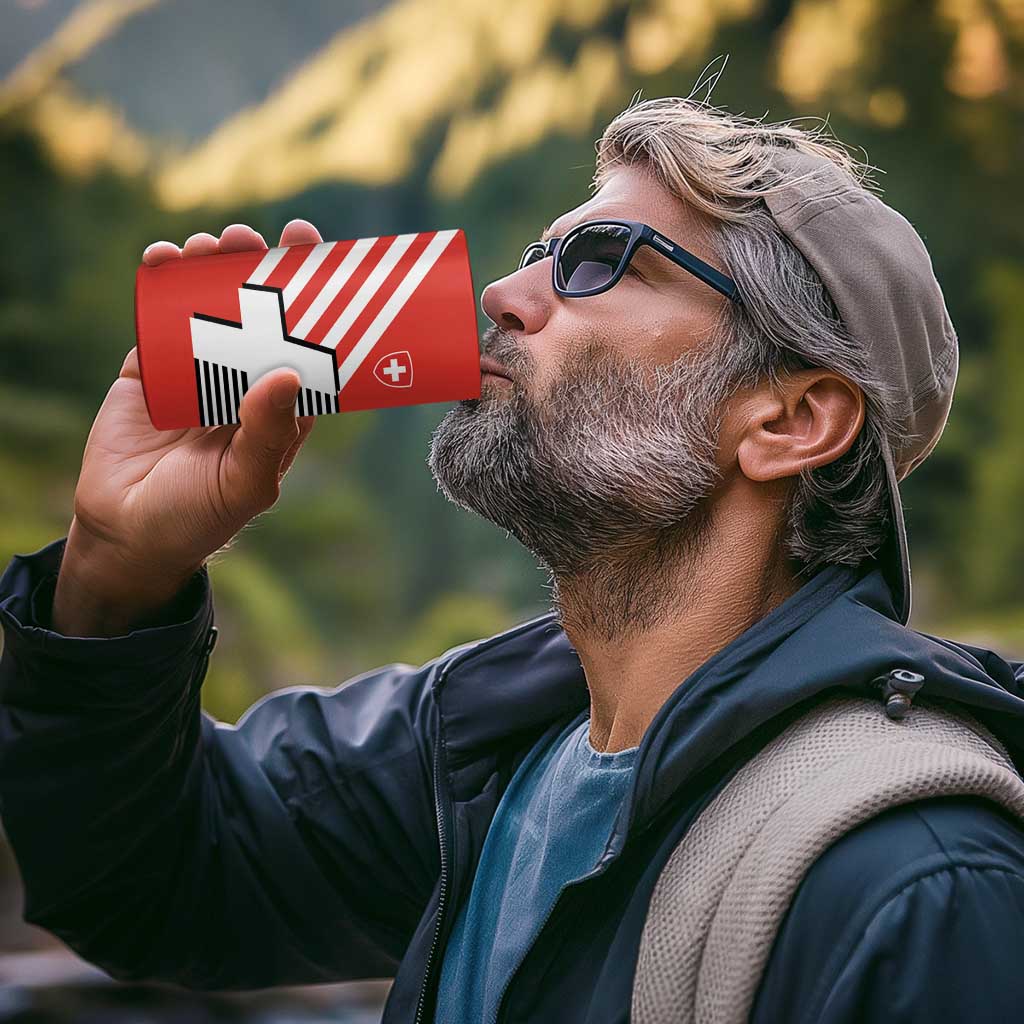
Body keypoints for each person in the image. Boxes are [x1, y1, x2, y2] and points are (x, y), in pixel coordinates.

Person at [2, 95, 1024, 1024]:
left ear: (791, 419)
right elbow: (149, 880)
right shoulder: (479, 750)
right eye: (540, 252)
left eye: (599, 261)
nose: (503, 292)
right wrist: (115, 572)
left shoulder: (918, 884)